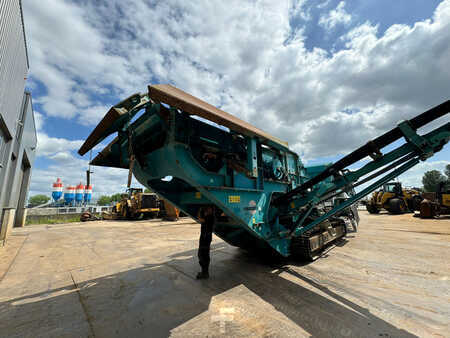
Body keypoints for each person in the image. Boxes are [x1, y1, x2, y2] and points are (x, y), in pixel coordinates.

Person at [196, 206, 215, 279]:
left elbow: (200, 219)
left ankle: (205, 273)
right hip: (204, 238)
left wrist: (199, 210)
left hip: (206, 238)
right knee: (202, 254)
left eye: (208, 209)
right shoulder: (208, 216)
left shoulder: (210, 217)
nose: (207, 210)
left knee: (203, 255)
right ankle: (204, 272)